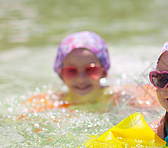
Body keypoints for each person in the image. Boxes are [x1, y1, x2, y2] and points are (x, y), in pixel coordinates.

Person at [26, 31, 159, 112]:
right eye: (71, 71)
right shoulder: (47, 103)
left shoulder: (122, 97)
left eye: (90, 70)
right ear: (60, 73)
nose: (81, 78)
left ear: (104, 71)